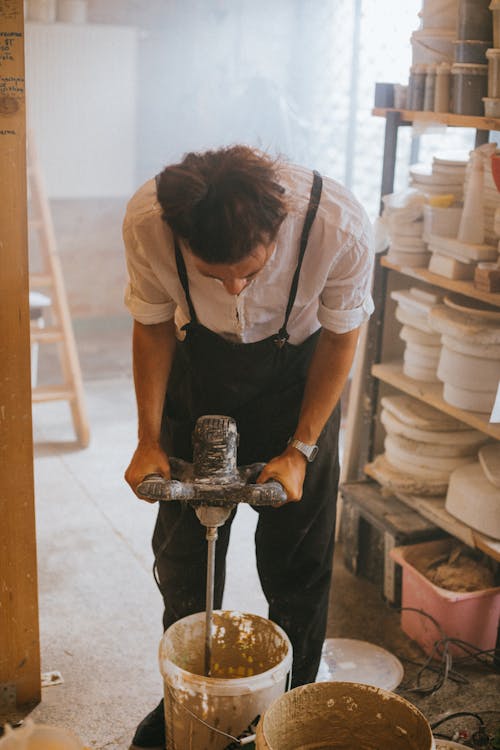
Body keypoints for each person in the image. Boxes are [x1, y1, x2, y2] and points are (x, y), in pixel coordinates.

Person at [123, 145, 374, 749]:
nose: (233, 286)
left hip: (300, 387)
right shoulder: (148, 224)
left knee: (300, 563)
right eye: (214, 275)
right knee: (185, 559)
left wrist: (300, 451)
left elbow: (342, 338)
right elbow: (153, 323)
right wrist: (149, 441)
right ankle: (188, 703)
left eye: (249, 272)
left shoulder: (337, 226)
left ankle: (292, 716)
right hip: (199, 372)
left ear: (279, 223)